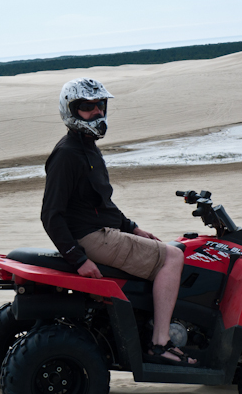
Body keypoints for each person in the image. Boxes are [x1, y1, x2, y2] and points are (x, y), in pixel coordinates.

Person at [41, 77, 196, 366]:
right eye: (87, 107)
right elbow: (51, 215)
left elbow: (101, 204)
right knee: (172, 258)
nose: (97, 112)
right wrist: (78, 259)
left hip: (103, 230)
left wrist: (132, 227)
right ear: (70, 111)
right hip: (92, 237)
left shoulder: (87, 147)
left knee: (169, 248)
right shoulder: (67, 154)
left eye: (100, 104)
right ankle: (160, 344)